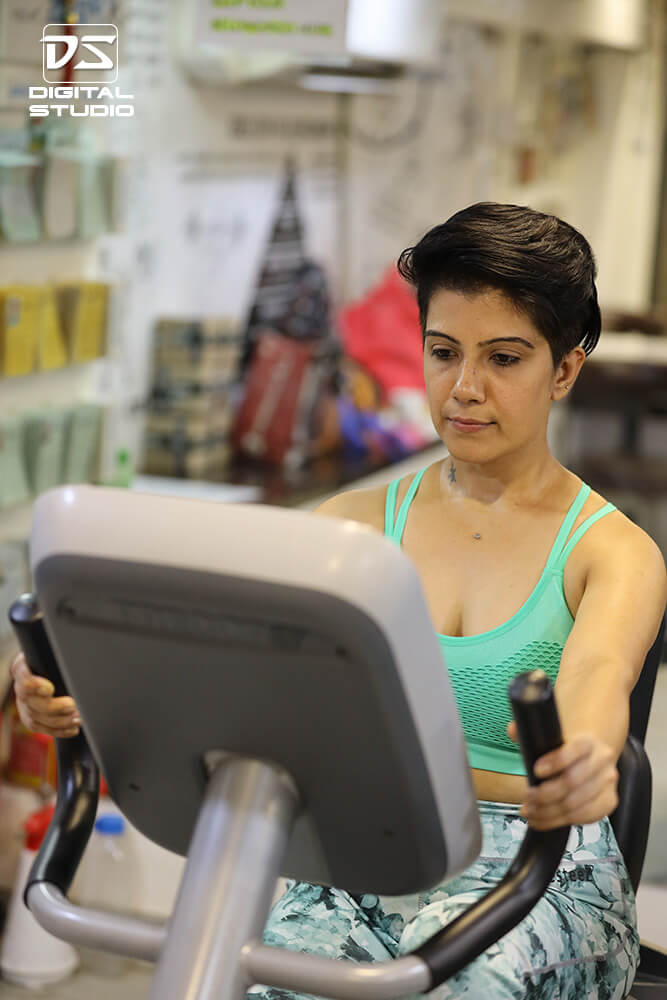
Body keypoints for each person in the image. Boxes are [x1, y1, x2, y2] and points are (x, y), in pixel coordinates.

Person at [11, 202, 667, 998]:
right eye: (442, 351)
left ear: (563, 369)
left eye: (503, 358)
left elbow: (597, 683)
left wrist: (584, 760)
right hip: (363, 851)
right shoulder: (349, 531)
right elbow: (217, 652)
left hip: (537, 862)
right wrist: (76, 681)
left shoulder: (612, 551)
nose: (464, 388)